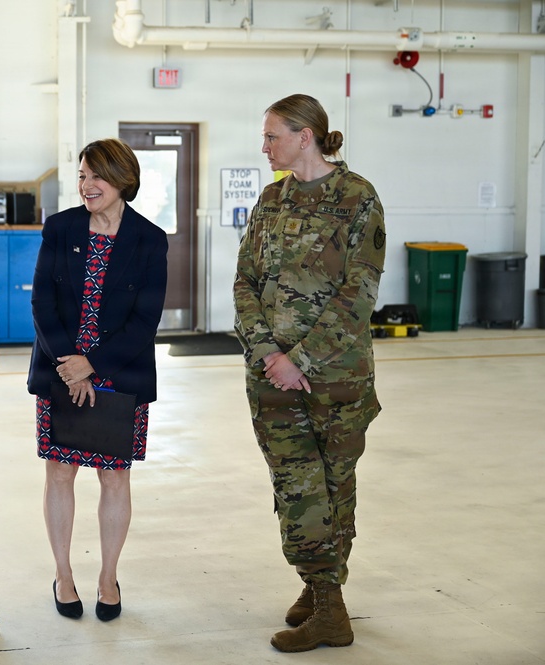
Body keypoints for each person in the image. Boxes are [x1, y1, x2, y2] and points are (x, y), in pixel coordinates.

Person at [233, 93, 386, 652]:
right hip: (272, 376)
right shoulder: (272, 198)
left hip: (335, 378)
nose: (265, 145)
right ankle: (322, 592)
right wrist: (270, 355)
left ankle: (328, 604)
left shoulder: (357, 198)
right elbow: (244, 281)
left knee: (333, 488)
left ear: (306, 136)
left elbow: (358, 294)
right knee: (296, 487)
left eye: (272, 135)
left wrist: (300, 358)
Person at [27, 138, 168, 623]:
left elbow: (145, 320)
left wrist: (94, 366)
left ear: (122, 178)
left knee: (115, 476)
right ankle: (64, 576)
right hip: (60, 371)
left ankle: (108, 576)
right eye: (82, 176)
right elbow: (41, 303)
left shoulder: (149, 239)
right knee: (60, 473)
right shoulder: (60, 227)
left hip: (117, 375)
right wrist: (71, 363)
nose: (87, 186)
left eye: (96, 176)